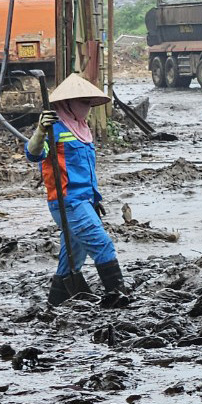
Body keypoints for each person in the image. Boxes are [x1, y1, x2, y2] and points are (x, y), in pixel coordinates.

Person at [24, 73, 125, 304]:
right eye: (83, 103)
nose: (87, 108)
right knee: (103, 245)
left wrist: (94, 200)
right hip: (68, 202)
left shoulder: (81, 128)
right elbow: (33, 153)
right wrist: (40, 131)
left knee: (72, 259)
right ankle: (117, 297)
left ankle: (56, 300)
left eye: (89, 103)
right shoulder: (54, 129)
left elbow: (86, 170)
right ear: (67, 103)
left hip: (85, 201)